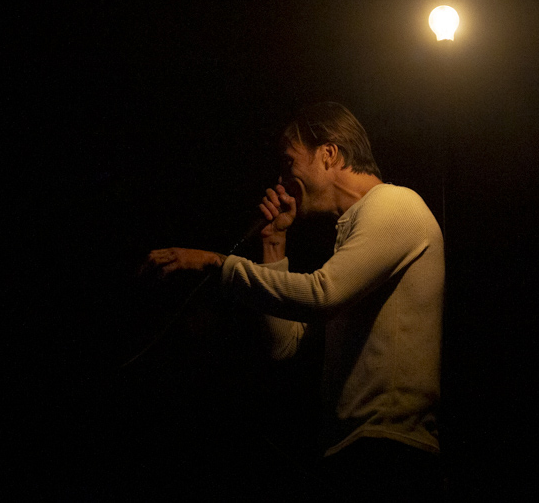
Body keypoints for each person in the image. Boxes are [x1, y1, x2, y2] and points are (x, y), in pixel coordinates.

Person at [146, 102, 444, 502]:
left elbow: (322, 295)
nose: (283, 179)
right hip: (353, 450)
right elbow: (285, 346)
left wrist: (216, 263)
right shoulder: (355, 235)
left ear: (329, 153)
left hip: (390, 452)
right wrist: (273, 243)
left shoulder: (396, 204)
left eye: (289, 161)